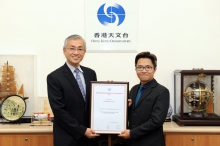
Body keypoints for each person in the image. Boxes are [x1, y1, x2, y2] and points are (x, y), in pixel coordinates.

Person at [47, 34, 99, 146]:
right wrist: (82, 130)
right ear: (64, 51)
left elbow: (95, 102)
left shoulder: (91, 73)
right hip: (67, 138)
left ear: (84, 52)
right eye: (72, 48)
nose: (76, 52)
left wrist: (111, 93)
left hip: (90, 138)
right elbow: (59, 110)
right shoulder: (54, 77)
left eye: (80, 49)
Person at [118, 51, 170, 146]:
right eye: (140, 67)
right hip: (133, 142)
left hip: (151, 142)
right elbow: (134, 114)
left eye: (148, 67)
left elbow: (156, 121)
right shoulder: (134, 89)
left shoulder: (162, 91)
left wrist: (132, 133)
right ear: (136, 69)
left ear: (155, 69)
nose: (144, 70)